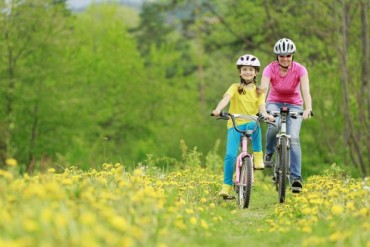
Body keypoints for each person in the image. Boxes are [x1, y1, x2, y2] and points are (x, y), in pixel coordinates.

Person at [212, 54, 273, 198]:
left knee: (257, 123)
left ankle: (258, 156)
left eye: (251, 69)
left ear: (256, 72)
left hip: (251, 122)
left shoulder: (259, 91)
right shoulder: (234, 87)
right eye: (244, 69)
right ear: (240, 72)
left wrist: (266, 115)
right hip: (235, 124)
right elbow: (225, 99)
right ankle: (226, 186)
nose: (247, 72)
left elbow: (262, 108)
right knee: (230, 155)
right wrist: (218, 110)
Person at [259, 38, 313, 193]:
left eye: (288, 55)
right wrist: (263, 110)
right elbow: (262, 90)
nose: (285, 58)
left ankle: (296, 178)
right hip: (274, 102)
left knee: (294, 137)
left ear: (292, 56)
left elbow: (305, 91)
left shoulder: (300, 69)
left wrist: (308, 108)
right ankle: (269, 152)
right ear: (277, 56)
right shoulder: (270, 69)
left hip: (295, 104)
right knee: (274, 125)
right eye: (282, 56)